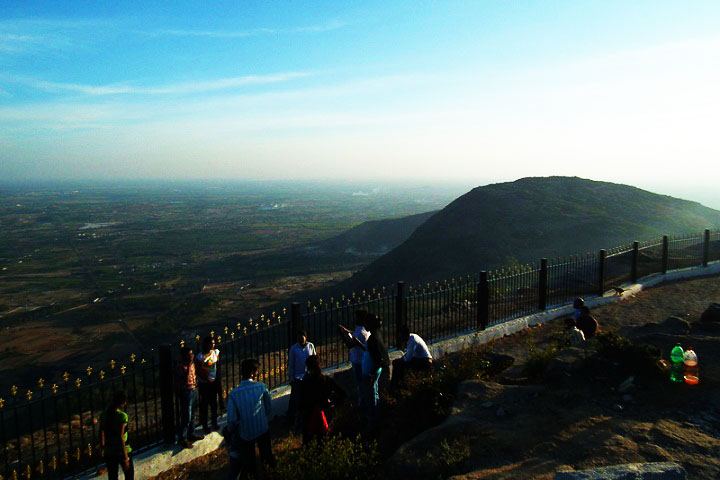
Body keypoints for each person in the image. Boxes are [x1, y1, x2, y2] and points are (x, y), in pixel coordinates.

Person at [226, 358, 275, 480]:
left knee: (249, 462)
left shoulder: (233, 394)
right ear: (253, 372)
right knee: (267, 455)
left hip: (245, 433)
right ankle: (269, 474)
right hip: (262, 428)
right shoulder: (261, 387)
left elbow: (231, 419)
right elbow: (269, 408)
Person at [100, 390, 133, 480]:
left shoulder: (103, 415)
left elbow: (101, 432)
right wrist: (126, 458)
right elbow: (120, 437)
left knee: (113, 476)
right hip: (122, 450)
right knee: (129, 476)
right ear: (123, 402)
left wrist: (103, 448)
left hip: (109, 450)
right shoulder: (122, 416)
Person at [339, 310, 370, 404]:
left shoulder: (360, 332)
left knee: (360, 384)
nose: (355, 319)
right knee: (362, 383)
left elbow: (350, 344)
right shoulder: (365, 329)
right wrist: (347, 331)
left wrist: (342, 334)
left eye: (357, 317)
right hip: (362, 360)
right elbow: (355, 335)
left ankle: (363, 403)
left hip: (358, 361)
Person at [176, 346, 203, 448]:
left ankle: (191, 434)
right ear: (184, 356)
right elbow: (183, 379)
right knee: (186, 416)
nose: (191, 356)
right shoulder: (181, 367)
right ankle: (182, 438)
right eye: (189, 354)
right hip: (186, 392)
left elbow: (194, 375)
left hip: (194, 390)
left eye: (192, 354)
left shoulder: (192, 364)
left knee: (193, 414)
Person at [286, 330, 316, 424]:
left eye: (302, 338)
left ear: (305, 337)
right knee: (296, 400)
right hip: (298, 378)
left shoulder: (310, 346)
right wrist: (291, 378)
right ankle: (292, 419)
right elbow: (291, 364)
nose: (300, 340)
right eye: (299, 338)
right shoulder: (293, 349)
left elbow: (314, 359)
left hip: (309, 376)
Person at [196, 336, 221, 434]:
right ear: (205, 344)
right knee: (205, 405)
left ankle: (214, 423)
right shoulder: (200, 356)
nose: (212, 345)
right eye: (210, 343)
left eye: (213, 343)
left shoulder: (215, 352)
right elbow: (199, 370)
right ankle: (205, 425)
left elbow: (217, 364)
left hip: (213, 382)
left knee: (214, 404)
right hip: (204, 383)